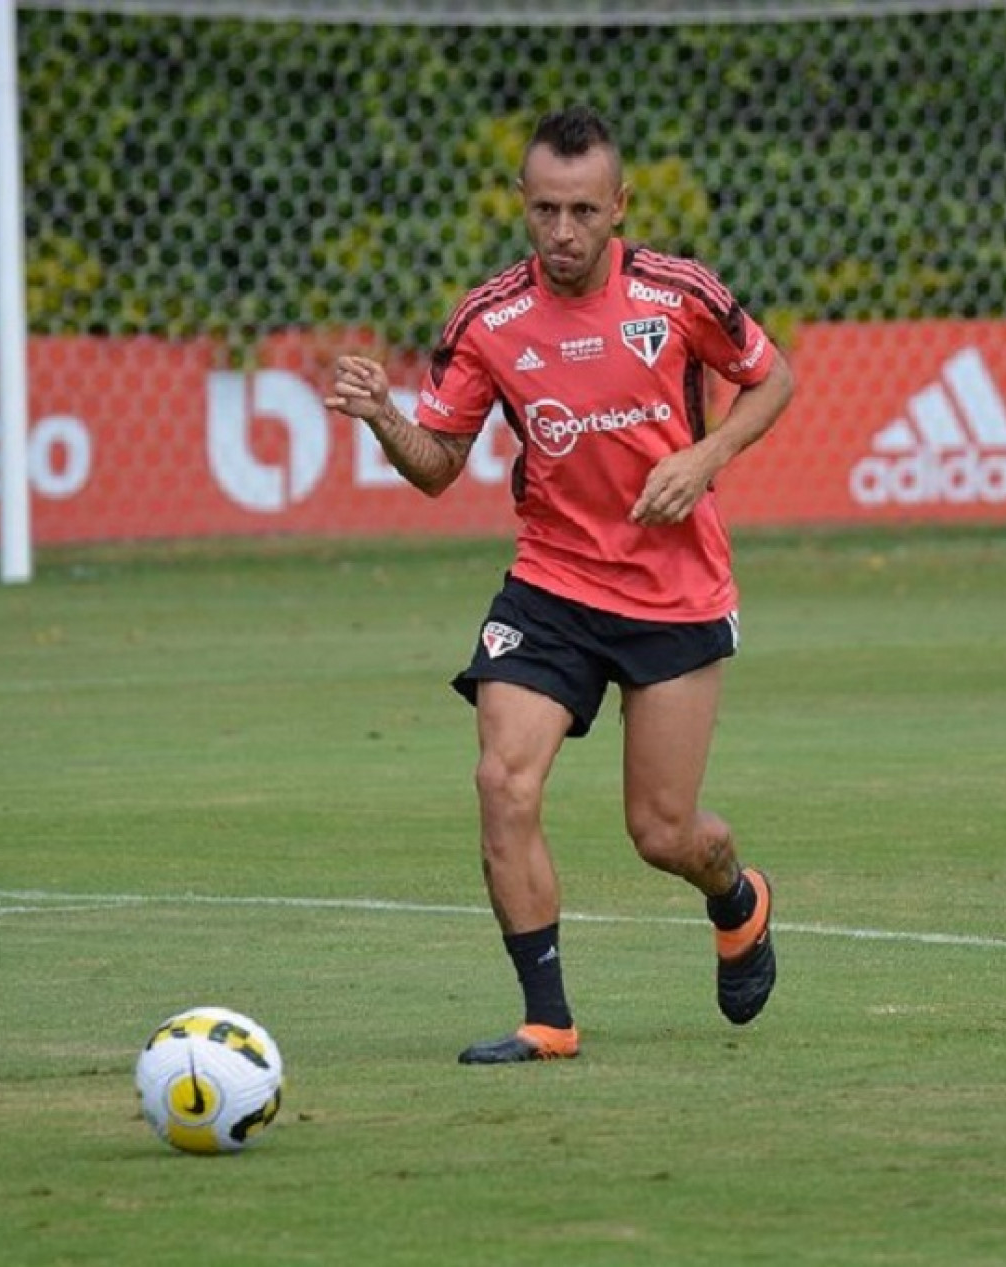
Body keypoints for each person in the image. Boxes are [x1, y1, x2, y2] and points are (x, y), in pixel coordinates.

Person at [325, 105, 795, 1064]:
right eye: (546, 210)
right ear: (522, 206)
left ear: (618, 205)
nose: (564, 233)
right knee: (503, 778)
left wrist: (705, 458)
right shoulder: (487, 320)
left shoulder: (675, 294)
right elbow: (436, 465)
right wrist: (380, 415)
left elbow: (772, 376)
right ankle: (548, 1020)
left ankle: (738, 898)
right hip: (551, 587)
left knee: (663, 832)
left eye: (584, 210)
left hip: (673, 591)